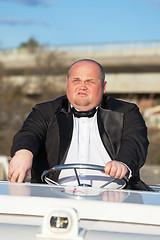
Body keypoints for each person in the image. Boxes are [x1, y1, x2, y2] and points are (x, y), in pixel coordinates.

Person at [8, 59, 151, 190]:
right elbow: (30, 133)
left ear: (103, 86)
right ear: (67, 83)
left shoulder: (127, 112)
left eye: (89, 81)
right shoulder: (45, 111)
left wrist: (123, 163)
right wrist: (23, 152)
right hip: (54, 196)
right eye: (76, 80)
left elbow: (135, 141)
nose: (82, 86)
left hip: (116, 198)